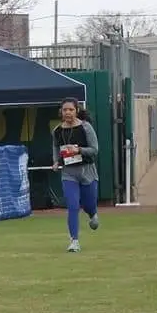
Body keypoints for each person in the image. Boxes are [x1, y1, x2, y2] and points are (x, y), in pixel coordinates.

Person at [51, 98, 100, 252]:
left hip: (87, 171)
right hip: (68, 172)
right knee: (72, 206)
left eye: (71, 110)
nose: (68, 113)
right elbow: (55, 147)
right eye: (65, 110)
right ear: (61, 112)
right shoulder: (57, 131)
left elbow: (95, 150)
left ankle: (92, 214)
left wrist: (79, 150)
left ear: (76, 111)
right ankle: (74, 241)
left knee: (88, 204)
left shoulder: (86, 128)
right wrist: (56, 161)